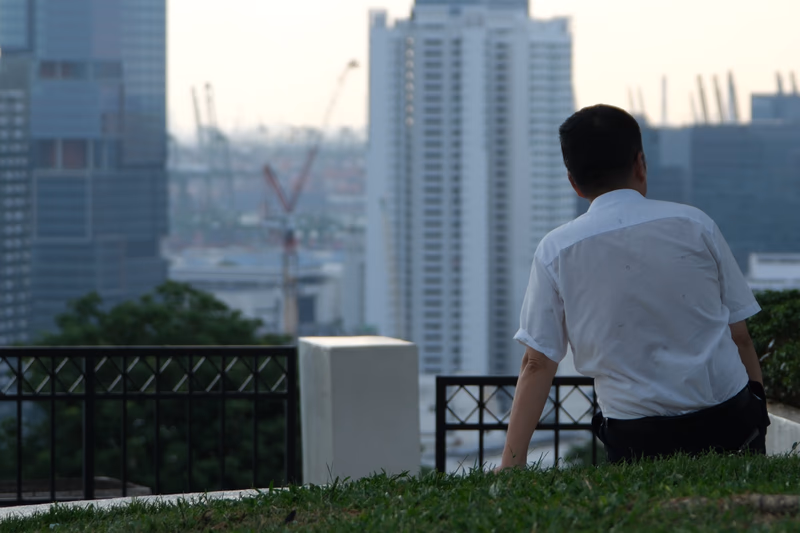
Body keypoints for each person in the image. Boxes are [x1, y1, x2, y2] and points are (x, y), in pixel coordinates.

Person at [497, 104, 769, 468]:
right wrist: (758, 411)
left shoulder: (556, 250)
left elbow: (537, 363)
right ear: (641, 163)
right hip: (728, 421)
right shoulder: (695, 225)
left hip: (636, 436)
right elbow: (741, 337)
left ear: (573, 183)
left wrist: (511, 464)